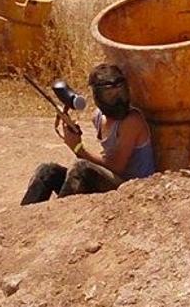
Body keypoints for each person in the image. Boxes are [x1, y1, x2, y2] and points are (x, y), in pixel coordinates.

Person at [21, 64, 156, 205]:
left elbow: (116, 166)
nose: (119, 101)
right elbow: (107, 163)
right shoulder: (98, 117)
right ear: (97, 96)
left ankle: (61, 213)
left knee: (81, 169)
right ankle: (27, 215)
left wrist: (78, 148)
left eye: (121, 93)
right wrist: (73, 136)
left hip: (134, 189)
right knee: (47, 171)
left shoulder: (132, 121)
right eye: (110, 95)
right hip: (114, 181)